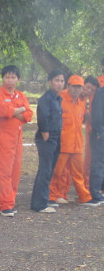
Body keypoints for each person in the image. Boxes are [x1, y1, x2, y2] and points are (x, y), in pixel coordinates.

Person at [0, 65, 33, 217]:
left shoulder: (21, 95)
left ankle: (0, 202)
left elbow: (29, 115)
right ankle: (7, 205)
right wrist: (19, 109)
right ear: (2, 78)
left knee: (15, 172)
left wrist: (16, 111)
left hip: (18, 138)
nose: (10, 80)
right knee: (5, 172)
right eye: (7, 77)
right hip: (4, 137)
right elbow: (3, 111)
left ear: (18, 79)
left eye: (13, 77)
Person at [49, 75, 98, 206]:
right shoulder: (60, 99)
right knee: (58, 171)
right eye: (74, 87)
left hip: (77, 144)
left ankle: (84, 197)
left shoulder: (82, 103)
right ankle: (52, 197)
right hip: (63, 143)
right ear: (68, 86)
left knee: (78, 172)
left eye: (79, 87)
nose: (77, 90)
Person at [30, 70, 65, 213]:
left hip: (56, 137)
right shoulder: (46, 98)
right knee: (45, 170)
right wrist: (45, 133)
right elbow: (43, 116)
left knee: (48, 170)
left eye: (62, 81)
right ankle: (40, 204)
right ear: (50, 82)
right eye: (57, 80)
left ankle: (39, 200)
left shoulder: (58, 98)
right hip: (47, 137)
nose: (59, 83)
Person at [88, 76, 104, 204]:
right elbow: (97, 114)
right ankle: (95, 192)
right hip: (100, 134)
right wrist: (99, 131)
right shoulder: (100, 92)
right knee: (98, 163)